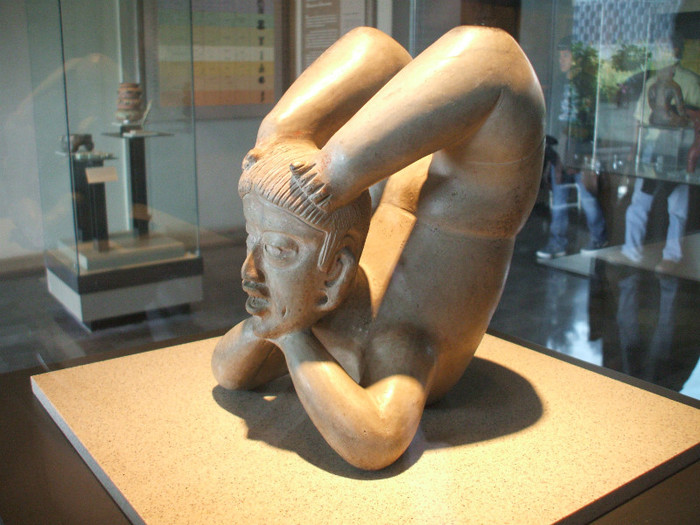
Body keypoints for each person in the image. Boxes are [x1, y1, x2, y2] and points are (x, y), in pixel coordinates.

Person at [212, 26, 545, 470]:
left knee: (378, 52)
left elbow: (230, 372)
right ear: (332, 279)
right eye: (257, 244)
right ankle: (334, 167)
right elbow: (378, 438)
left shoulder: (321, 320)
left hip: (384, 190)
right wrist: (288, 334)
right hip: (468, 210)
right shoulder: (394, 348)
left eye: (274, 250)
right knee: (492, 62)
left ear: (332, 276)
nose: (248, 273)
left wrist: (285, 146)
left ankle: (298, 149)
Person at [622, 34, 700, 273]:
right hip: (652, 148)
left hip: (679, 149)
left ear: (675, 51)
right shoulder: (651, 83)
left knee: (677, 206)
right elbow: (639, 120)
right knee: (640, 200)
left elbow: (694, 116)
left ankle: (672, 256)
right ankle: (631, 250)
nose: (657, 53)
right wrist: (633, 152)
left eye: (662, 48)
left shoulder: (689, 81)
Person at [536, 37, 607, 259]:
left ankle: (599, 237)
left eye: (566, 55)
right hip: (560, 151)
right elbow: (553, 118)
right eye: (560, 55)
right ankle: (558, 242)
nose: (561, 60)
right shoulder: (558, 83)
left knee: (587, 198)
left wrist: (586, 153)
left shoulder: (587, 83)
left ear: (576, 57)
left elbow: (592, 122)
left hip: (580, 150)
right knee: (558, 200)